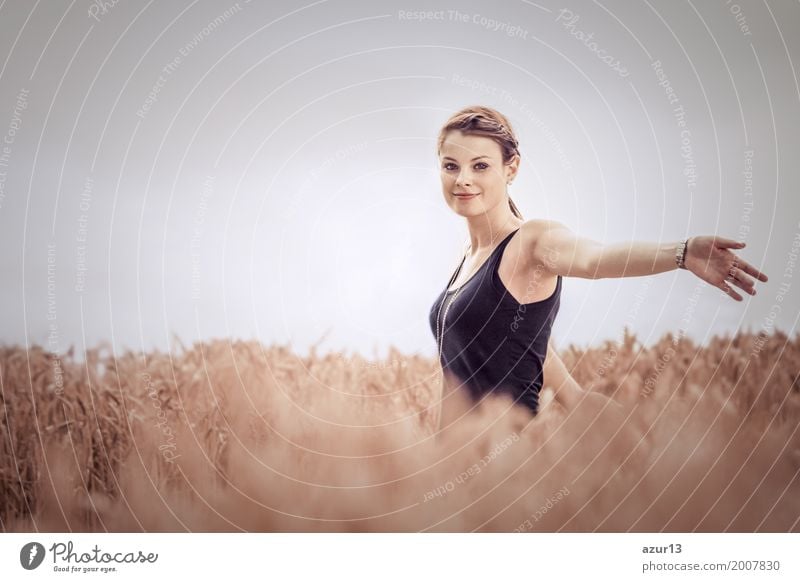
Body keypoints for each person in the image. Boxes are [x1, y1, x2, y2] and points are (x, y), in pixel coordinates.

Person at [428, 105, 769, 431]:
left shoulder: (533, 240)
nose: (463, 180)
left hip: (509, 463)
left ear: (511, 168)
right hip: (458, 466)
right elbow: (513, 347)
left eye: (481, 166)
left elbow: (595, 259)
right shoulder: (468, 259)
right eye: (451, 166)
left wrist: (681, 253)